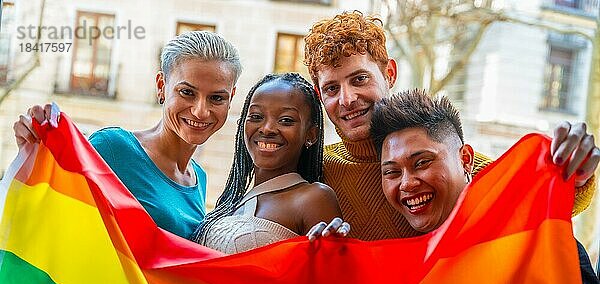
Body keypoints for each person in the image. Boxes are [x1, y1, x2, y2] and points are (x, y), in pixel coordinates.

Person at [303, 11, 598, 241]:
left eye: (359, 79)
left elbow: (536, 197)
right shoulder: (316, 170)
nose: (347, 99)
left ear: (389, 73)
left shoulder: (448, 159)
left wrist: (577, 172)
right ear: (319, 95)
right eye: (331, 88)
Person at [369, 89, 600, 284]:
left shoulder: (530, 241)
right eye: (391, 172)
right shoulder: (401, 263)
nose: (407, 183)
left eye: (422, 162)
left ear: (466, 160)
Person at [12, 30, 242, 239]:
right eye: (187, 92)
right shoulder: (113, 148)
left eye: (216, 98)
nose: (201, 111)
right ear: (161, 86)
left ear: (231, 98)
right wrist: (35, 154)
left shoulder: (199, 178)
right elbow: (52, 215)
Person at [193, 73, 347, 254]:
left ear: (311, 135)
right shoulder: (233, 201)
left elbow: (330, 276)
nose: (267, 129)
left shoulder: (314, 198)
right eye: (256, 117)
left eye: (286, 120)